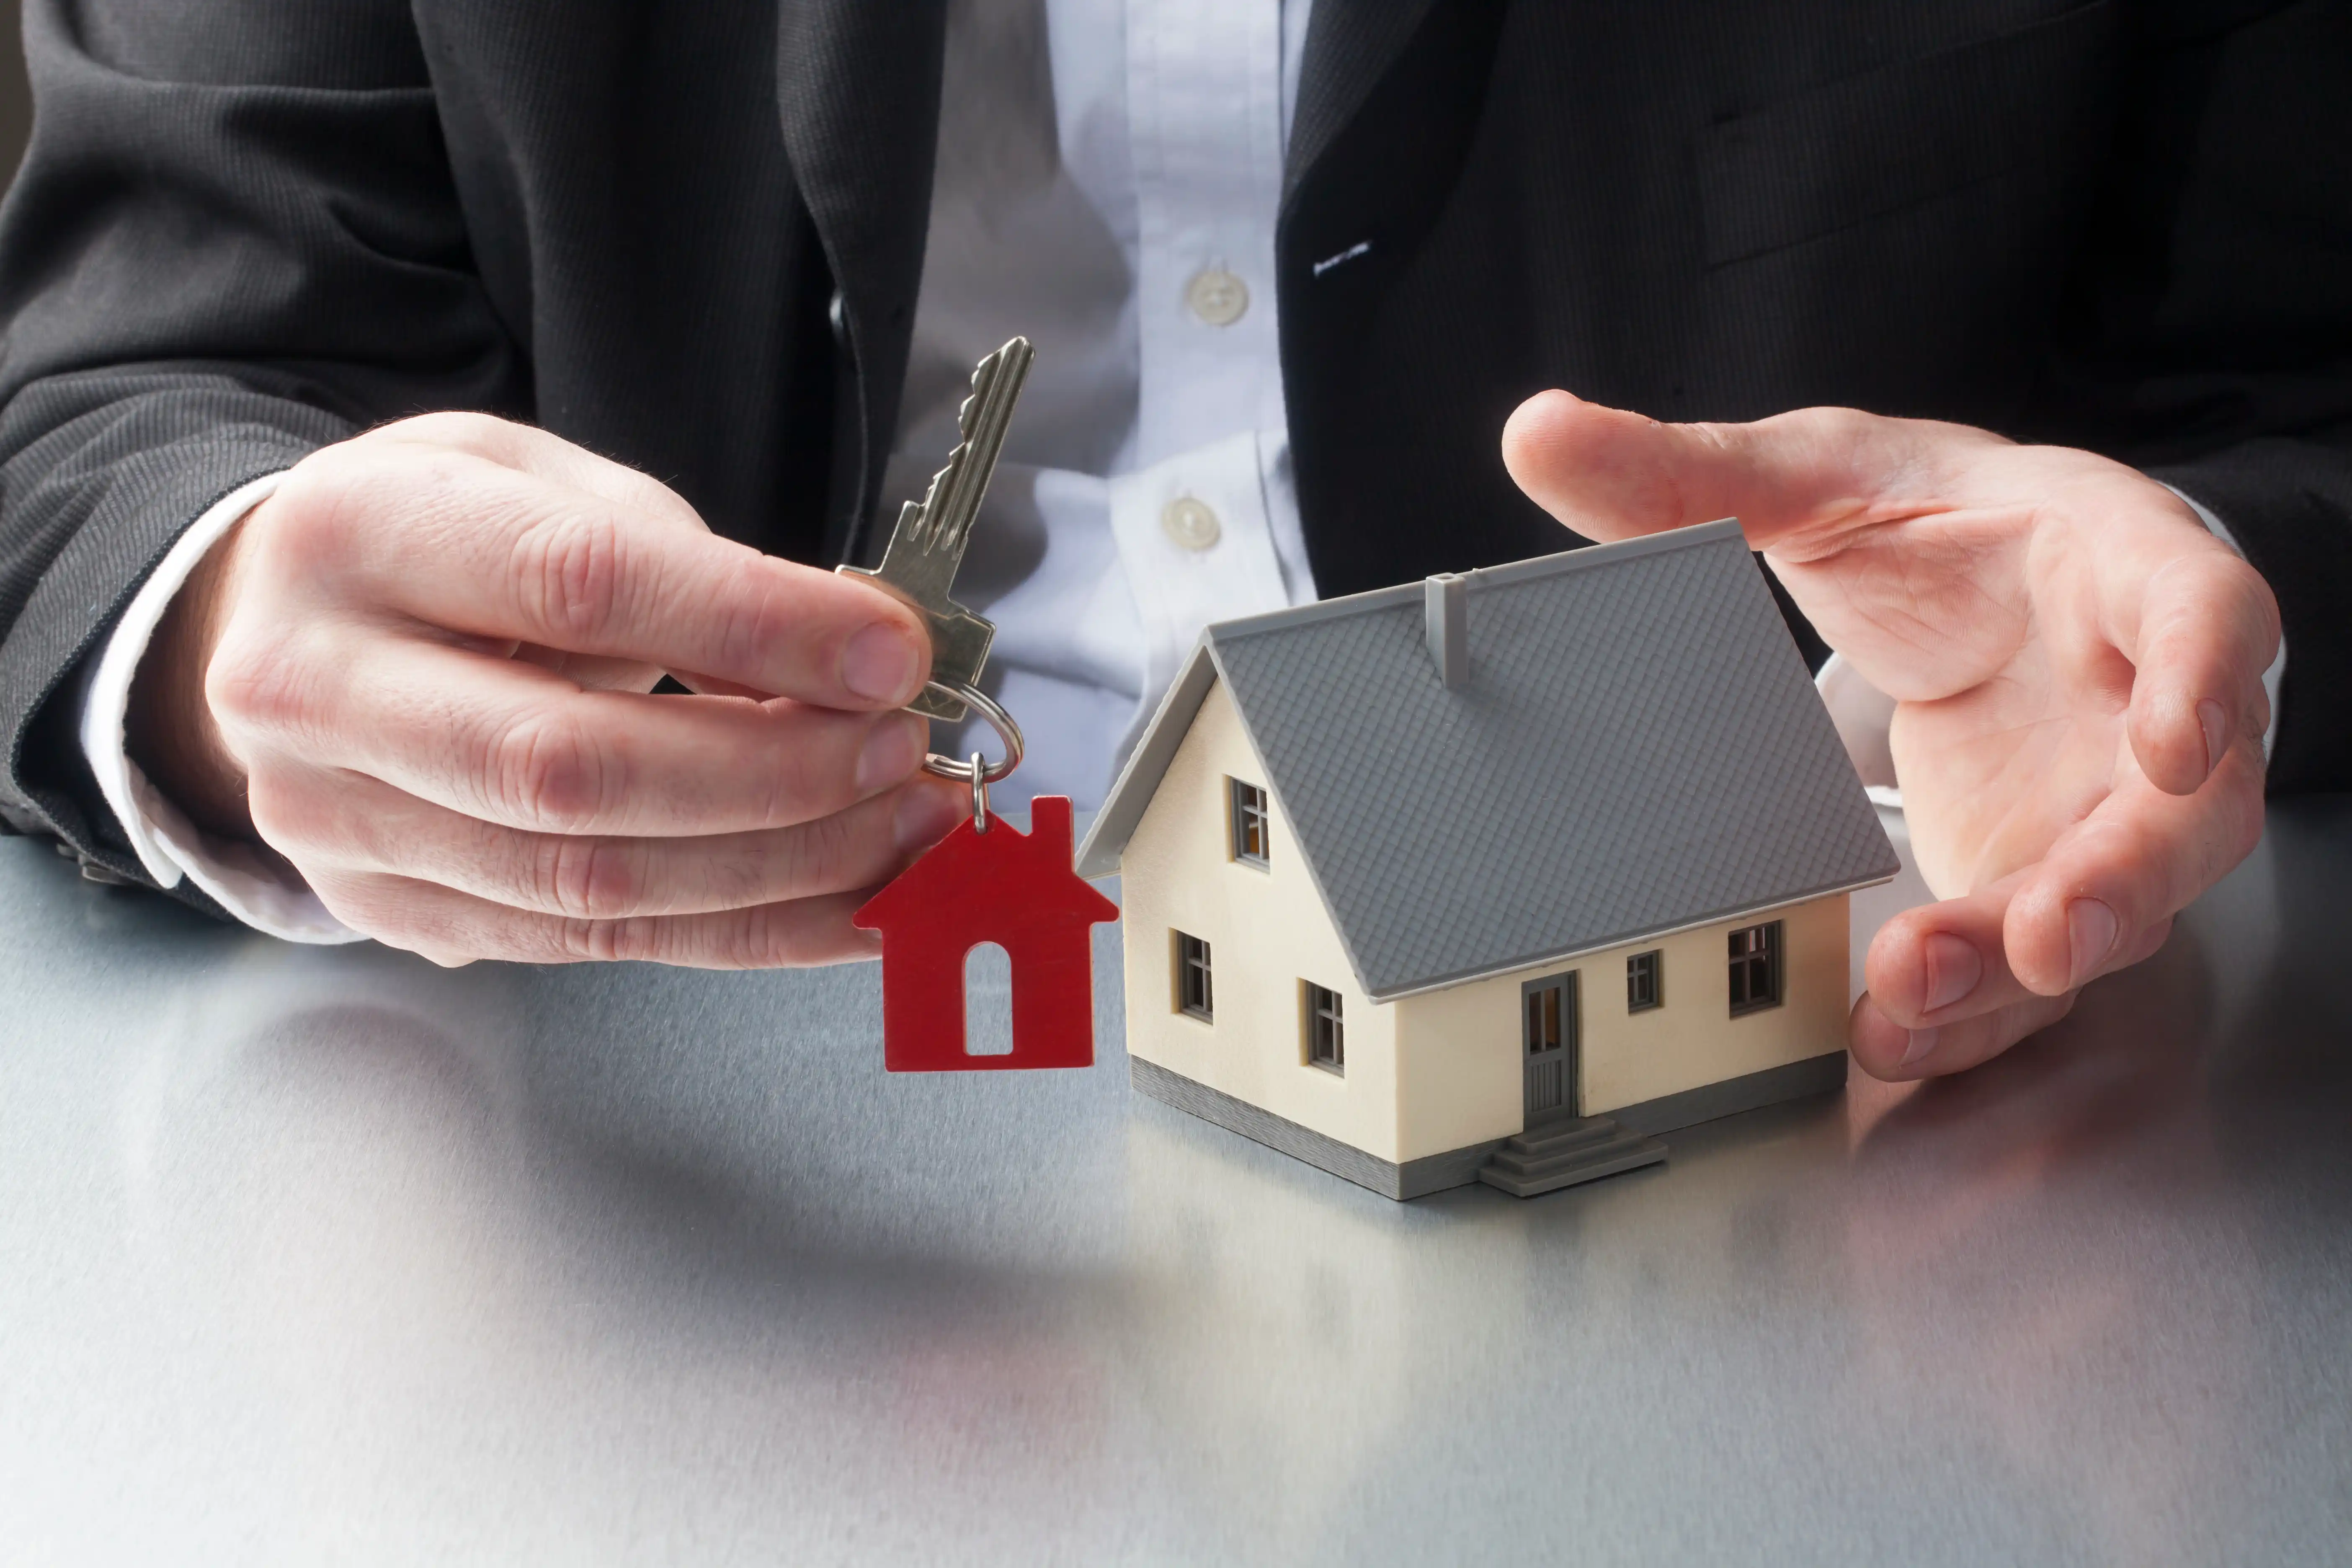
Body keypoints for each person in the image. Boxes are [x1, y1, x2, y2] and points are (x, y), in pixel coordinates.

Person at [0, 0, 2342, 1086]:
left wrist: (2187, 613)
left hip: (1853, 1113)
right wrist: (228, 637)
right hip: (581, 1170)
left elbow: (2303, 401)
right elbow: (121, 387)